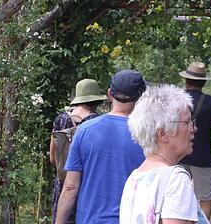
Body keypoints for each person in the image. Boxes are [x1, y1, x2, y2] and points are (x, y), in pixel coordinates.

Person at [55, 69, 148, 224]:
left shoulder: (85, 131)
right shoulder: (148, 136)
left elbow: (70, 187)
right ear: (142, 98)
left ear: (110, 94)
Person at [120, 84, 209, 224]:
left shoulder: (134, 178)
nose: (194, 128)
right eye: (187, 122)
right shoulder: (176, 180)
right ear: (163, 134)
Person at [50, 78, 106, 224]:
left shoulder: (59, 120)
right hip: (87, 184)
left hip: (62, 183)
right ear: (96, 100)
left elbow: (52, 157)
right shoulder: (97, 122)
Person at [178, 61, 211, 220]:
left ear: (186, 80)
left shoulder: (177, 100)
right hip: (203, 158)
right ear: (204, 82)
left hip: (178, 155)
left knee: (176, 197)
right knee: (205, 198)